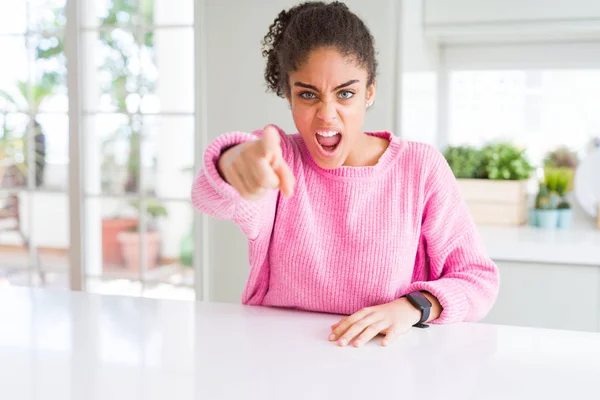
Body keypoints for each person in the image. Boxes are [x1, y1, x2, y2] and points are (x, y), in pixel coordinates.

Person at [191, 1, 499, 347]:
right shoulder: (279, 161)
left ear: (369, 92)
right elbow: (207, 194)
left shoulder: (420, 168)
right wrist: (232, 161)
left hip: (383, 363)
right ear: (288, 96)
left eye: (346, 94)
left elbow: (477, 278)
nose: (326, 115)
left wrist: (410, 308)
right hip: (277, 361)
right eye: (308, 95)